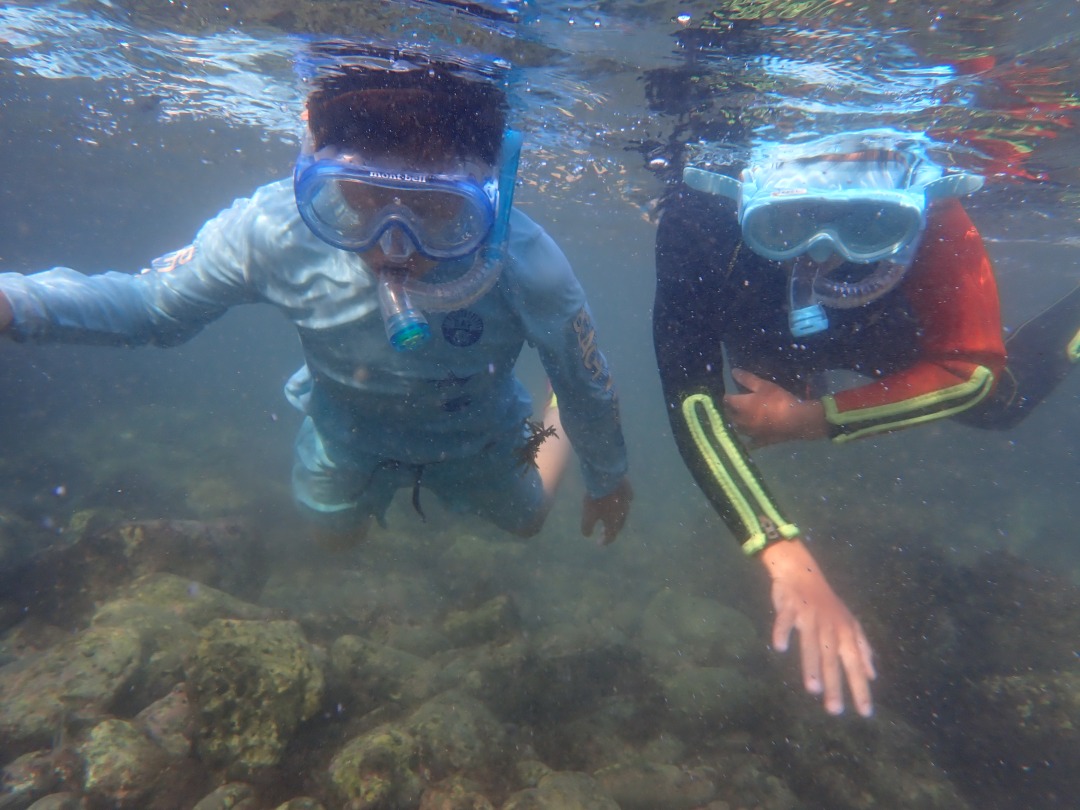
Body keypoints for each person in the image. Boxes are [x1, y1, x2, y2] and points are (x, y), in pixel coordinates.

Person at [0, 45, 633, 547]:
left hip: (481, 440)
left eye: (436, 207)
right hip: (346, 434)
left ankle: (549, 422)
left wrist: (607, 478)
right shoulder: (275, 232)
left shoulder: (523, 263)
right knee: (328, 535)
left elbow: (584, 382)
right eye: (360, 198)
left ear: (492, 188)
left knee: (527, 522)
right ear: (311, 165)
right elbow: (151, 309)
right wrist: (14, 303)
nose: (394, 244)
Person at [652, 128, 1079, 717]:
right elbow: (692, 400)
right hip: (759, 307)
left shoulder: (936, 209)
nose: (822, 252)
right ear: (744, 195)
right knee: (748, 400)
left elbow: (970, 373)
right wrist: (781, 551)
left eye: (867, 221)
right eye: (789, 219)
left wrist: (810, 421)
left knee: (1000, 404)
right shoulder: (700, 214)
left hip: (874, 314)